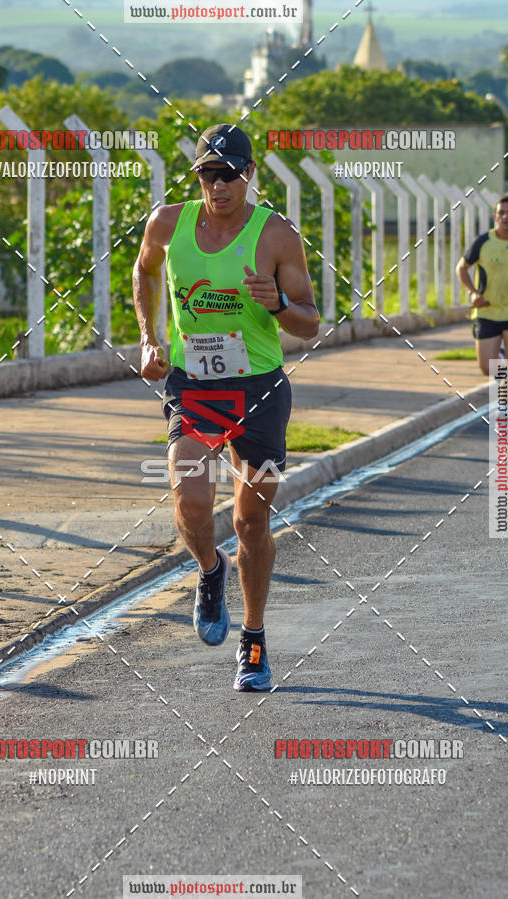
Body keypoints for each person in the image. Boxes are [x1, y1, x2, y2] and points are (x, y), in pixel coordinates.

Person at [133, 123, 319, 691]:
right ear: (198, 178)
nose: (219, 185)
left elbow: (310, 324)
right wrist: (147, 336)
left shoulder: (278, 236)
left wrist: (280, 302)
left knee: (249, 519)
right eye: (209, 175)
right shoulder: (168, 223)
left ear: (249, 175)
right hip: (194, 385)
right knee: (191, 501)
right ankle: (210, 572)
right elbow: (144, 272)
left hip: (259, 389)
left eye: (230, 174)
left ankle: (254, 640)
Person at [456, 194, 508, 376]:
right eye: (501, 213)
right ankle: (501, 358)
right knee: (487, 368)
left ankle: (507, 401)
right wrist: (472, 292)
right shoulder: (483, 242)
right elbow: (462, 268)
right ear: (495, 216)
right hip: (487, 311)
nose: (506, 217)